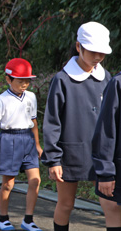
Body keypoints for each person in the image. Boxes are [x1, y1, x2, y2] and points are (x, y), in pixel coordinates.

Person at [42, 21, 112, 231]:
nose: (97, 57)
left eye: (102, 52)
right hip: (69, 153)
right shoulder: (62, 80)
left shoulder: (107, 78)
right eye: (92, 51)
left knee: (111, 205)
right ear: (78, 46)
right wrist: (53, 159)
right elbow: (52, 121)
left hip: (101, 155)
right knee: (65, 204)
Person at [0, 58, 42, 231]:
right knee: (8, 183)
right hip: (9, 139)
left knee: (35, 180)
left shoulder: (31, 97)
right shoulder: (2, 99)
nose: (24, 84)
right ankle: (3, 218)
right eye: (20, 80)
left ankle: (28, 220)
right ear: (8, 79)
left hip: (28, 139)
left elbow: (34, 122)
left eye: (27, 80)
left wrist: (38, 145)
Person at [92, 72, 121, 231]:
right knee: (114, 214)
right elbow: (106, 130)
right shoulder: (117, 83)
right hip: (118, 166)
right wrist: (105, 172)